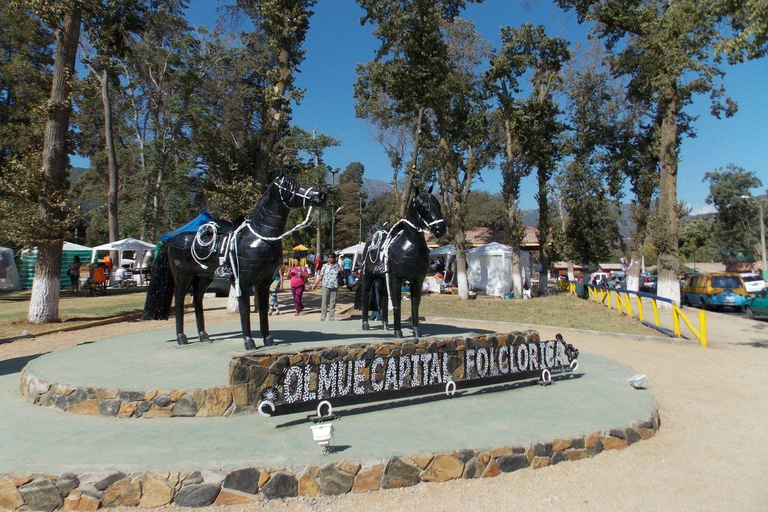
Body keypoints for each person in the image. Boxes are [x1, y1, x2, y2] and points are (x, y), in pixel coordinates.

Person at [312, 253, 343, 321]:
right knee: (324, 301)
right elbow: (321, 276)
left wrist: (340, 271)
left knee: (332, 303)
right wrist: (315, 284)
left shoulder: (338, 266)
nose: (329, 258)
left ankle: (331, 318)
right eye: (328, 257)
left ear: (334, 258)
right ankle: (323, 317)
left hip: (334, 286)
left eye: (331, 257)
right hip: (326, 285)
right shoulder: (325, 266)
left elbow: (341, 276)